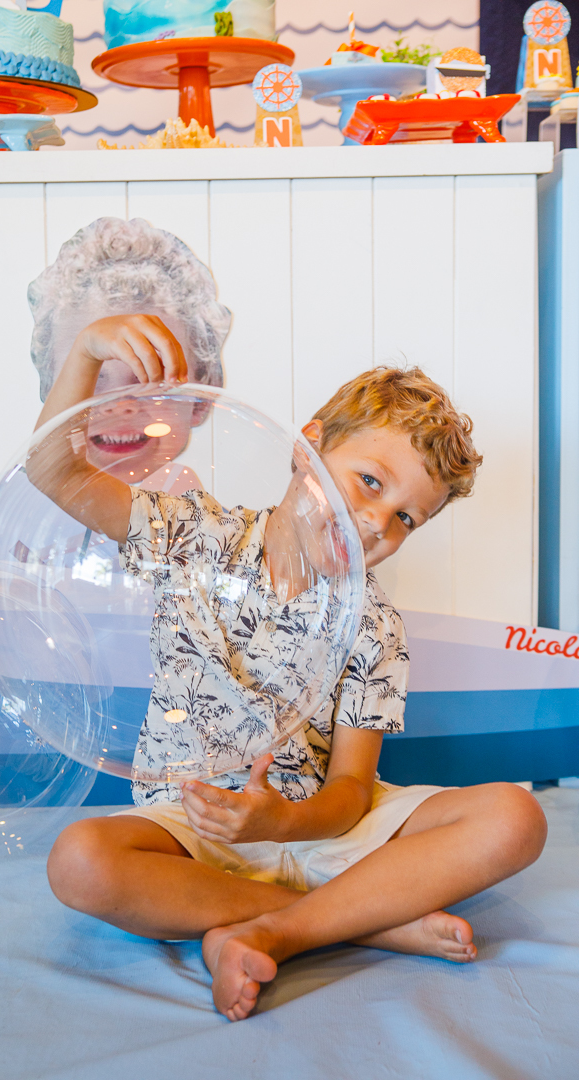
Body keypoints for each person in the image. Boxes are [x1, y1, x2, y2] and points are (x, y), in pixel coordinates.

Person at [33, 314, 548, 1023]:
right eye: (370, 482)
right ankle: (366, 920)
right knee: (80, 860)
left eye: (407, 519)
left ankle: (276, 928)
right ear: (308, 448)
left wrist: (283, 821)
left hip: (318, 831)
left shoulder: (373, 622)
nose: (378, 523)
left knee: (515, 816)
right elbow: (52, 471)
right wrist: (89, 349)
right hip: (193, 828)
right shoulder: (191, 537)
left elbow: (349, 792)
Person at [28, 217, 229, 488]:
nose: (122, 406)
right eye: (91, 377)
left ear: (201, 399)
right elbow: (51, 473)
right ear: (52, 392)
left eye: (153, 378)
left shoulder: (210, 513)